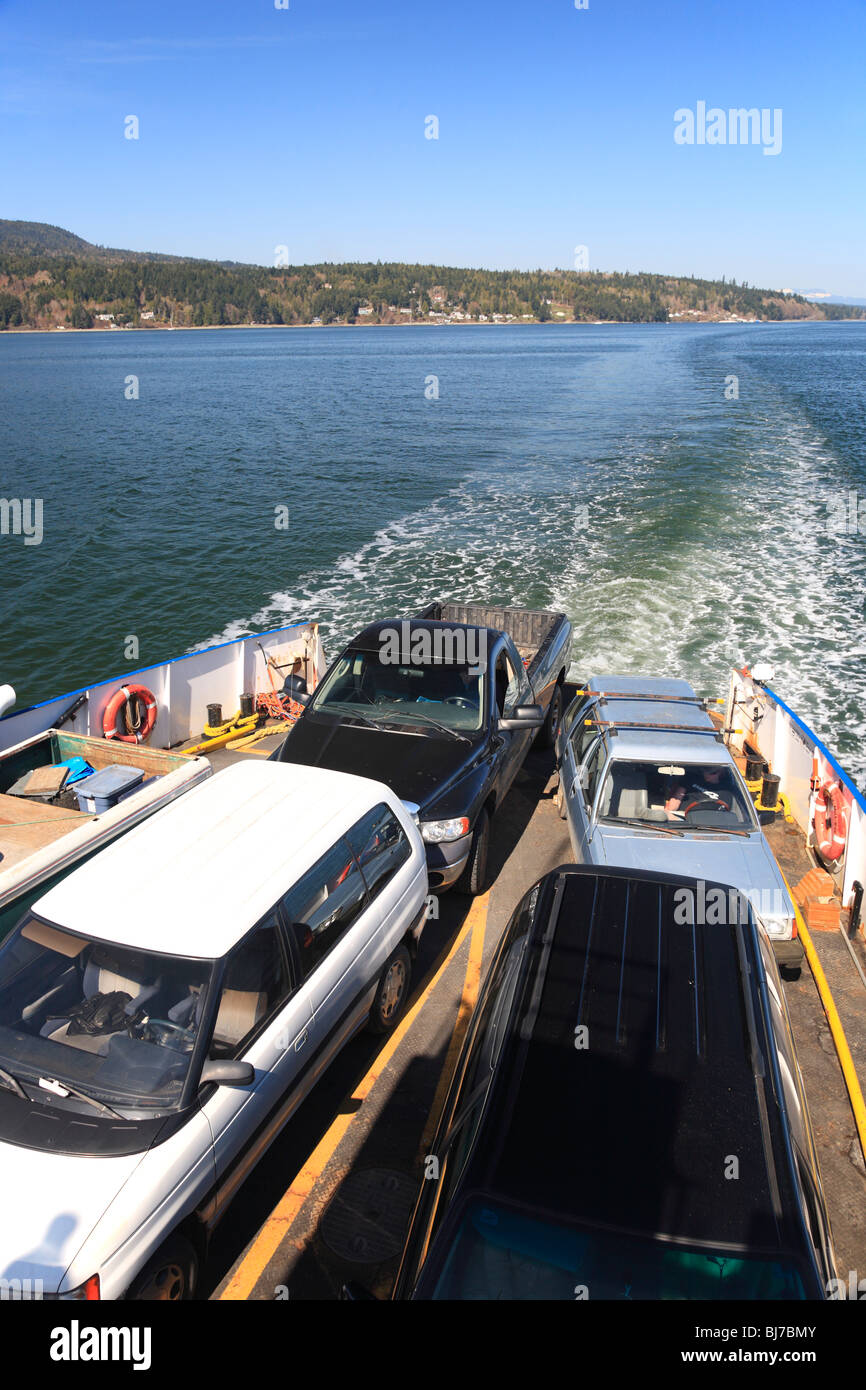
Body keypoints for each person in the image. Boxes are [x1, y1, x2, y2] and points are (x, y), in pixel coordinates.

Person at [665, 765, 732, 819]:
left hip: (708, 823)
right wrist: (668, 811)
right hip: (682, 818)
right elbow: (676, 799)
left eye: (712, 773)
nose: (706, 775)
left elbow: (723, 815)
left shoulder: (727, 790)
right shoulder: (691, 778)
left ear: (720, 773)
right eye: (704, 771)